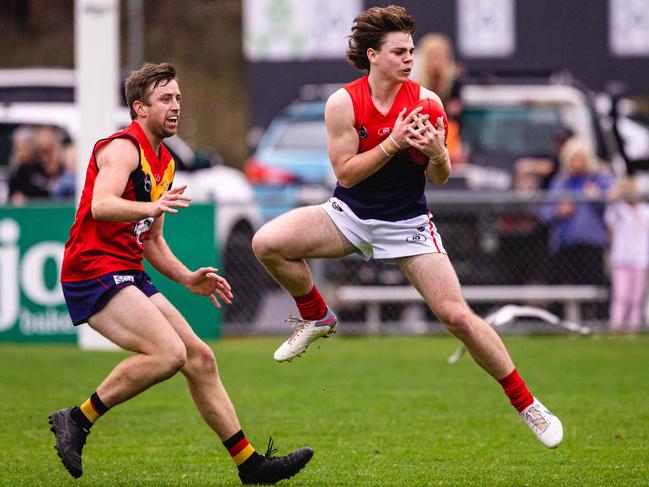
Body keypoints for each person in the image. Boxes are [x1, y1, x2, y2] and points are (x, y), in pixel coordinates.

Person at [252, 5, 563, 449]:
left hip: (408, 224)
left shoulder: (427, 102)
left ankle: (528, 404)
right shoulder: (343, 103)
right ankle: (317, 315)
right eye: (399, 51)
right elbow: (346, 174)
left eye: (411, 50)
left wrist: (438, 154)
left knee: (458, 316)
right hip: (351, 217)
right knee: (267, 242)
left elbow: (439, 177)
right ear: (373, 55)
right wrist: (392, 143)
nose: (408, 58)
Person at [49, 63, 313, 484]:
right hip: (92, 270)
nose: (176, 107)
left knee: (201, 359)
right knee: (169, 354)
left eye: (178, 98)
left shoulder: (165, 162)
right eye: (165, 100)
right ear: (139, 108)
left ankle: (250, 465)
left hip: (126, 269)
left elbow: (151, 240)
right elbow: (101, 204)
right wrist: (149, 206)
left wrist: (188, 277)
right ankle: (76, 419)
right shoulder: (122, 149)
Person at [540, 136, 613, 287]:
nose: (577, 162)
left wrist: (597, 197)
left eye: (581, 158)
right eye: (574, 158)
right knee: (559, 286)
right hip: (564, 245)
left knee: (594, 286)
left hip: (591, 245)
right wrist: (558, 211)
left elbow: (615, 210)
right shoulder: (560, 182)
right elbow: (544, 213)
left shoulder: (599, 180)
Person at [605, 176, 649, 332]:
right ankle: (615, 325)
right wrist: (615, 197)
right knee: (621, 295)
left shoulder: (645, 211)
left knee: (637, 297)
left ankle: (633, 326)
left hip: (640, 259)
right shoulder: (619, 209)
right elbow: (610, 220)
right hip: (622, 258)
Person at [412, 32, 464, 164]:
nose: (437, 62)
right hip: (420, 133)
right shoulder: (414, 83)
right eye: (432, 57)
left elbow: (455, 118)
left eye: (440, 57)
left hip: (448, 135)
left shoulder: (454, 81)